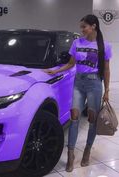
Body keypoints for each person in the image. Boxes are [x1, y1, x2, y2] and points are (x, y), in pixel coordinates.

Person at [45, 14, 112, 172]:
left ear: (93, 26)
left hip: (95, 83)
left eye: (84, 27)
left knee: (92, 120)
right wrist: (54, 71)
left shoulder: (104, 45)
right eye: (81, 27)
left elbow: (107, 69)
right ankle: (71, 154)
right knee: (74, 117)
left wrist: (107, 90)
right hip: (78, 83)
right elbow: (70, 64)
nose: (81, 30)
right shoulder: (76, 43)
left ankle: (87, 150)